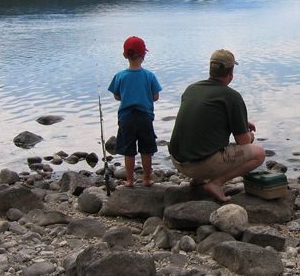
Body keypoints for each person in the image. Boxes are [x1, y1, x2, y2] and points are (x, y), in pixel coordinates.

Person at [168, 49, 266, 202]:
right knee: (259, 153)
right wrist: (250, 136)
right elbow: (243, 141)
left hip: (177, 161)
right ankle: (216, 183)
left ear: (210, 69)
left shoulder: (191, 89)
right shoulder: (232, 96)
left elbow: (200, 118)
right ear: (231, 72)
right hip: (202, 166)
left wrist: (240, 121)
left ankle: (197, 179)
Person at [108, 36, 162, 187]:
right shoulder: (149, 75)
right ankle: (146, 178)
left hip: (126, 118)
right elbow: (155, 97)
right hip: (145, 117)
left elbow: (117, 96)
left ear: (125, 55)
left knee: (129, 151)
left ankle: (130, 180)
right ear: (143, 55)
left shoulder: (120, 76)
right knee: (146, 150)